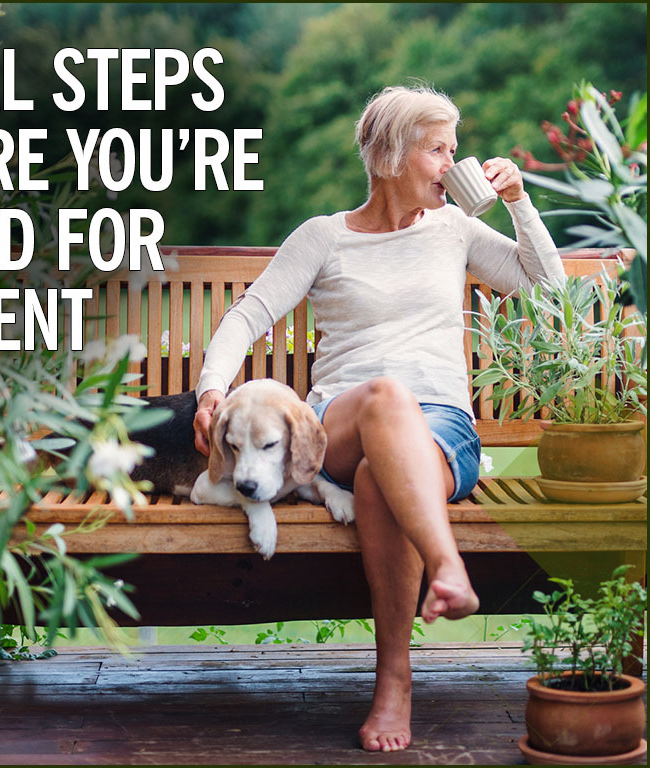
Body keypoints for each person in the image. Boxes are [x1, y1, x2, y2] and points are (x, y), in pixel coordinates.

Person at [191, 85, 564, 753]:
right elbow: (249, 314)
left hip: (443, 430)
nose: (454, 165)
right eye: (438, 151)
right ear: (392, 155)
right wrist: (210, 390)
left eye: (456, 150)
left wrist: (518, 201)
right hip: (340, 421)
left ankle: (395, 681)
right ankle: (448, 566)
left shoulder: (455, 230)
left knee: (374, 484)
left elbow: (550, 292)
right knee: (387, 397)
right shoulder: (324, 238)